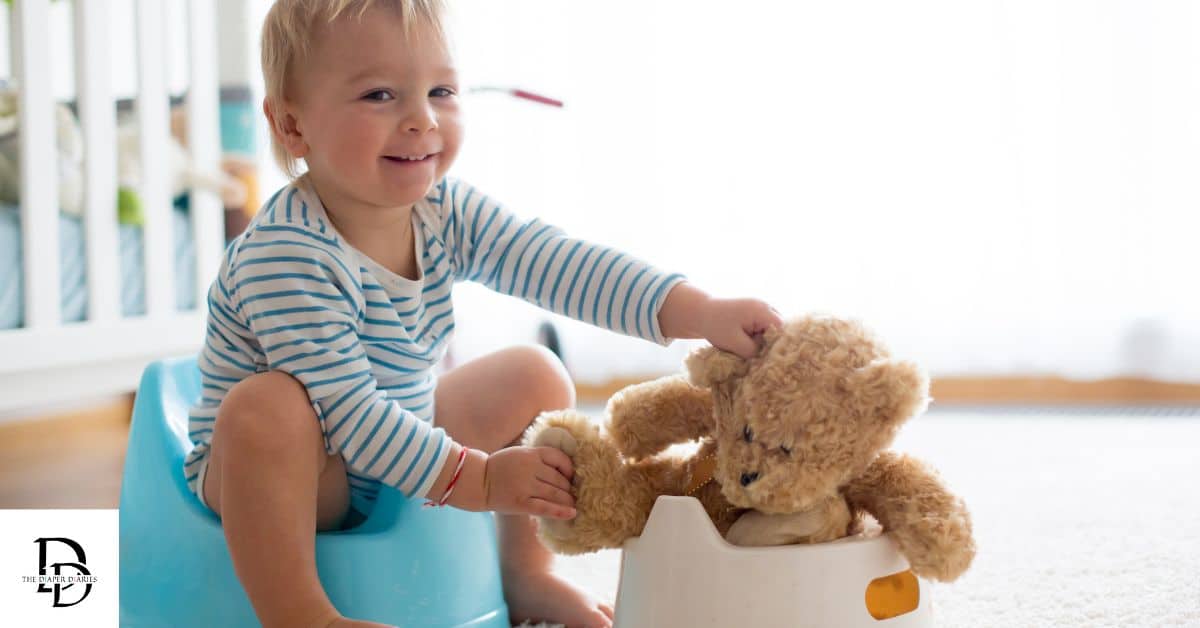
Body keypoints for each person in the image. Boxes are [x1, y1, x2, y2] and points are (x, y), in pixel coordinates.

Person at [182, 1, 783, 626]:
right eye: (380, 95)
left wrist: (697, 311)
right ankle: (299, 614)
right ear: (292, 126)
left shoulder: (443, 211)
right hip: (297, 476)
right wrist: (482, 481)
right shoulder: (286, 254)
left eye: (440, 90)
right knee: (269, 406)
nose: (422, 120)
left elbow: (560, 263)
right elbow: (350, 416)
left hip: (398, 438)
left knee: (536, 374)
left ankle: (525, 573)